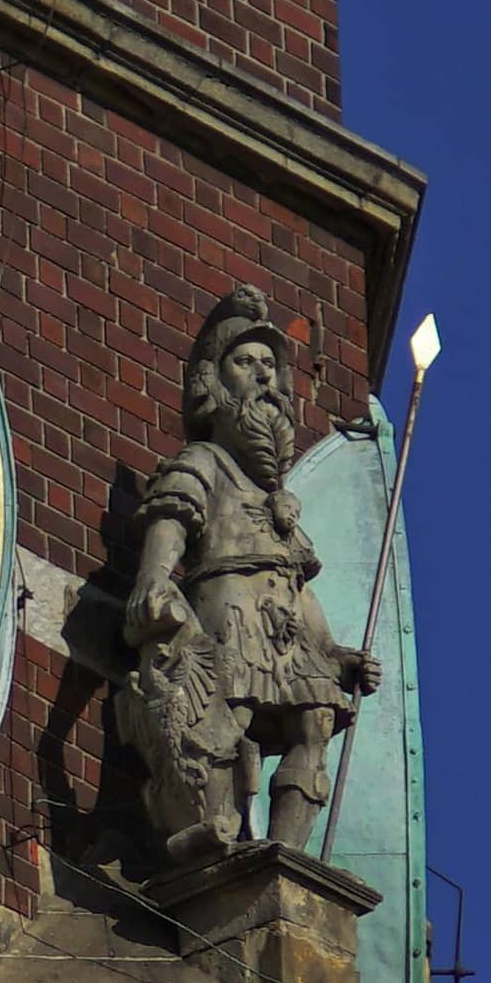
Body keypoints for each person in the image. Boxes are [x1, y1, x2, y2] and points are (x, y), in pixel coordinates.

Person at [116, 287, 379, 862]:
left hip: (286, 623)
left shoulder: (273, 493)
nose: (262, 377)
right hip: (229, 608)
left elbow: (297, 582)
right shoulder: (205, 461)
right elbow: (173, 517)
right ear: (214, 380)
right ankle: (217, 830)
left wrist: (333, 650)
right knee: (225, 721)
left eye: (269, 365)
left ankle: (285, 857)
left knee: (315, 721)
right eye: (245, 362)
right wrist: (156, 576)